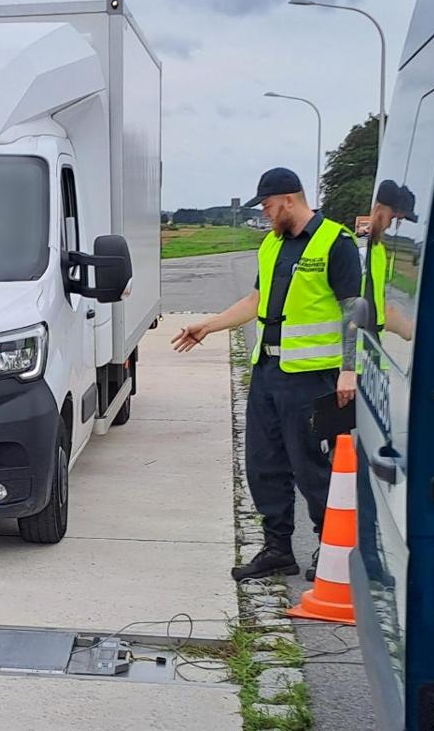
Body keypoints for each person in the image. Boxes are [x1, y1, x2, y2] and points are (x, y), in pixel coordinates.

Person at [172, 168, 361, 581]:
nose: (265, 213)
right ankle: (278, 550)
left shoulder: (336, 242)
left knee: (311, 466)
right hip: (268, 371)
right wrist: (209, 326)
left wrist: (349, 370)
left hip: (312, 377)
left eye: (268, 205)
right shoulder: (272, 244)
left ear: (289, 200)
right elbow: (256, 300)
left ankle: (330, 547)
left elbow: (353, 310)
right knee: (264, 464)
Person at [365, 180, 418, 334]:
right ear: (379, 209)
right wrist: (405, 328)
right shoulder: (359, 247)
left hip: (368, 337)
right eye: (392, 218)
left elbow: (376, 301)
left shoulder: (378, 249)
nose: (390, 225)